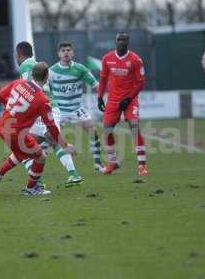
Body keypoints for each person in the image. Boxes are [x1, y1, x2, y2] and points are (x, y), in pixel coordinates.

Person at [0, 62, 76, 196]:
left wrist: (11, 109)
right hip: (17, 134)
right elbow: (51, 126)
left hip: (3, 127)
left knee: (21, 152)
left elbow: (0, 95)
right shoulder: (43, 100)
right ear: (47, 77)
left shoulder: (18, 82)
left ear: (32, 74)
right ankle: (31, 189)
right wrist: (64, 145)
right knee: (41, 157)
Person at [16, 41, 83, 187]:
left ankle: (39, 181)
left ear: (18, 54)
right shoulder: (38, 65)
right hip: (51, 106)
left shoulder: (24, 66)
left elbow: (28, 88)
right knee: (33, 144)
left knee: (28, 145)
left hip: (41, 108)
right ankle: (71, 174)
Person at [98, 32, 148, 176]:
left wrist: (129, 98)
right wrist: (100, 97)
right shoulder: (107, 58)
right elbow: (103, 78)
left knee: (134, 128)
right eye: (119, 39)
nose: (121, 42)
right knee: (107, 130)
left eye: (124, 40)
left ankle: (142, 165)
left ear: (128, 42)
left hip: (130, 100)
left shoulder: (135, 59)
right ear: (115, 41)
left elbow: (140, 82)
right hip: (113, 100)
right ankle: (112, 162)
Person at [49, 41, 104, 172]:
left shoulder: (80, 69)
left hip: (76, 109)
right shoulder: (52, 71)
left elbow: (95, 85)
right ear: (59, 54)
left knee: (92, 130)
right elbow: (43, 89)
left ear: (72, 53)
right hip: (59, 110)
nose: (66, 53)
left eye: (68, 50)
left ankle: (98, 164)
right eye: (63, 51)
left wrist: (102, 94)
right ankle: (37, 167)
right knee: (47, 137)